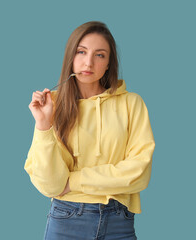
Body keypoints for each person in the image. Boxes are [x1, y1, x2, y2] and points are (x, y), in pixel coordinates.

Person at [24, 21, 155, 240]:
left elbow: (139, 173)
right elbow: (50, 185)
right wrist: (43, 125)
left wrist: (72, 181)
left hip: (119, 222)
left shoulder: (132, 103)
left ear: (108, 63)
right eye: (81, 52)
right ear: (70, 57)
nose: (89, 62)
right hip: (66, 220)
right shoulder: (53, 106)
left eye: (100, 55)